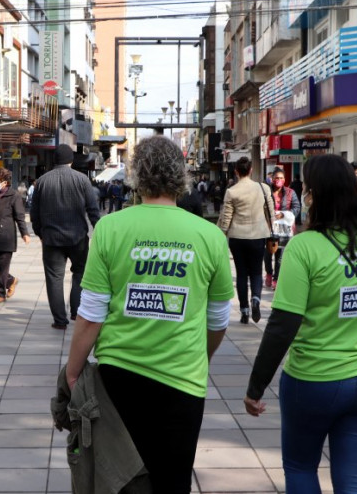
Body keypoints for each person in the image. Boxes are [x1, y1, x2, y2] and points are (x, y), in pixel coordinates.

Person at [65, 135, 233, 493]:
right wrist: (200, 357)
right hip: (183, 379)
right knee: (172, 481)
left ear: (136, 175)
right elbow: (218, 319)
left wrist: (73, 371)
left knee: (118, 480)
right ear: (181, 177)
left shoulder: (112, 228)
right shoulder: (209, 236)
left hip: (118, 379)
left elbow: (91, 313)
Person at [244, 153, 357, 494]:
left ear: (314, 195)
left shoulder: (304, 248)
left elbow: (282, 326)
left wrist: (256, 386)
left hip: (315, 382)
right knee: (355, 480)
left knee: (301, 468)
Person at [30, 144, 100, 329]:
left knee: (54, 278)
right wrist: (98, 232)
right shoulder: (82, 180)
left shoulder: (42, 181)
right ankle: (76, 312)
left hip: (52, 240)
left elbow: (34, 213)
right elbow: (93, 210)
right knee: (80, 274)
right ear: (71, 160)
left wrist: (40, 233)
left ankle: (59, 321)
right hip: (78, 238)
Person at [218, 157, 275, 324]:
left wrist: (221, 234)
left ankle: (244, 311)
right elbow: (270, 212)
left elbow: (226, 217)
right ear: (250, 170)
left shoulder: (232, 191)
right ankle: (256, 299)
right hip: (258, 235)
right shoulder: (263, 188)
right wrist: (272, 230)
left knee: (241, 273)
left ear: (236, 171)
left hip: (237, 237)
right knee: (257, 272)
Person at [0, 167, 30, 303]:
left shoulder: (14, 196)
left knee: (3, 266)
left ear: (5, 183)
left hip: (6, 237)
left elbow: (20, 216)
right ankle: (11, 280)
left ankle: (0, 293)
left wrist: (24, 233)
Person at [264, 167, 300, 289]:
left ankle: (276, 279)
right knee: (268, 253)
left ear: (284, 179)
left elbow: (296, 208)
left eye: (281, 178)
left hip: (284, 230)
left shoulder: (290, 192)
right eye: (276, 178)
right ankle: (268, 273)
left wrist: (284, 214)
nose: (278, 180)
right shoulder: (267, 192)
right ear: (272, 179)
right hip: (269, 228)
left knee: (280, 255)